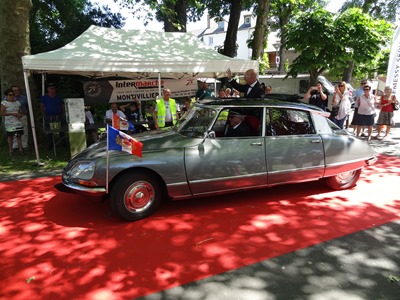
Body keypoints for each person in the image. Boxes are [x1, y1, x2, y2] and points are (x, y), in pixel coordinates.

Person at [40, 83, 66, 149]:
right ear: (48, 89)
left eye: (54, 88)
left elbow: (62, 106)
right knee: (49, 130)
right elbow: (42, 106)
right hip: (48, 116)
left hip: (59, 115)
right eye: (51, 88)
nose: (53, 90)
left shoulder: (58, 97)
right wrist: (43, 114)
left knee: (61, 129)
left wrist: (63, 113)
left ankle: (63, 143)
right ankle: (50, 144)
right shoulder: (44, 97)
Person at [1, 89, 24, 156]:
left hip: (18, 121)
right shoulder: (4, 103)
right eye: (10, 95)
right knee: (10, 136)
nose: (12, 96)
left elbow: (21, 111)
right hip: (9, 123)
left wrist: (20, 114)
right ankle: (11, 150)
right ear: (7, 95)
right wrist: (12, 114)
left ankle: (21, 150)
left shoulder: (17, 103)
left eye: (13, 95)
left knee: (19, 136)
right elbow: (2, 113)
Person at [10, 85, 29, 150]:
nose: (16, 91)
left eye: (17, 90)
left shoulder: (24, 98)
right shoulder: (8, 98)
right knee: (14, 131)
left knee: (24, 131)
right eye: (15, 90)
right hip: (13, 117)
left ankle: (24, 145)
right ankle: (15, 146)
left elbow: (28, 107)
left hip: (22, 116)